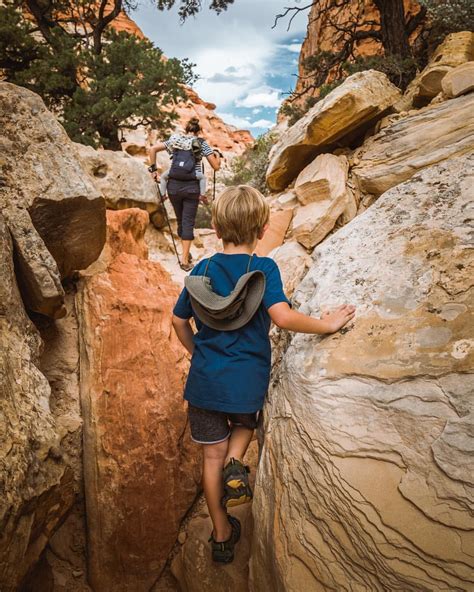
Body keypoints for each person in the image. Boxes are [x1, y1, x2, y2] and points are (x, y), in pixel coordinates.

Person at [171, 185, 356, 564]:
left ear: (217, 228)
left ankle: (221, 535)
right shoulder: (264, 268)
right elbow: (283, 317)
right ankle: (236, 463)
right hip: (246, 382)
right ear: (262, 228)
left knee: (209, 459)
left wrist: (198, 353)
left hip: (204, 383)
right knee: (245, 423)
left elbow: (178, 320)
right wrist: (327, 324)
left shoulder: (201, 270)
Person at [148, 117, 221, 271]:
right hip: (191, 187)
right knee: (188, 222)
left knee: (182, 221)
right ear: (198, 131)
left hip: (173, 187)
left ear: (186, 129)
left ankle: (185, 254)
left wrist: (154, 170)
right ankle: (185, 261)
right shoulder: (201, 143)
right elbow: (215, 167)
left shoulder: (175, 140)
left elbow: (152, 149)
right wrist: (217, 156)